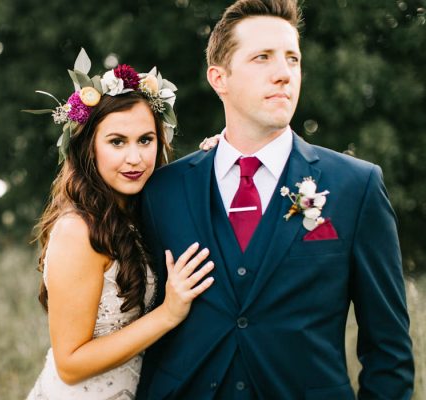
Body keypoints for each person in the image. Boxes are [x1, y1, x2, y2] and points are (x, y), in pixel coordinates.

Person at [136, 0, 414, 399]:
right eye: (262, 58)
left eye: (292, 59)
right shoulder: (163, 190)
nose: (283, 74)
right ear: (219, 78)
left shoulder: (357, 186)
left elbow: (388, 349)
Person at [24, 49, 215, 399]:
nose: (135, 158)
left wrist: (218, 157)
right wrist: (168, 314)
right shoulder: (77, 230)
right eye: (116, 142)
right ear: (89, 148)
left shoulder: (138, 214)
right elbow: (70, 363)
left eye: (146, 140)